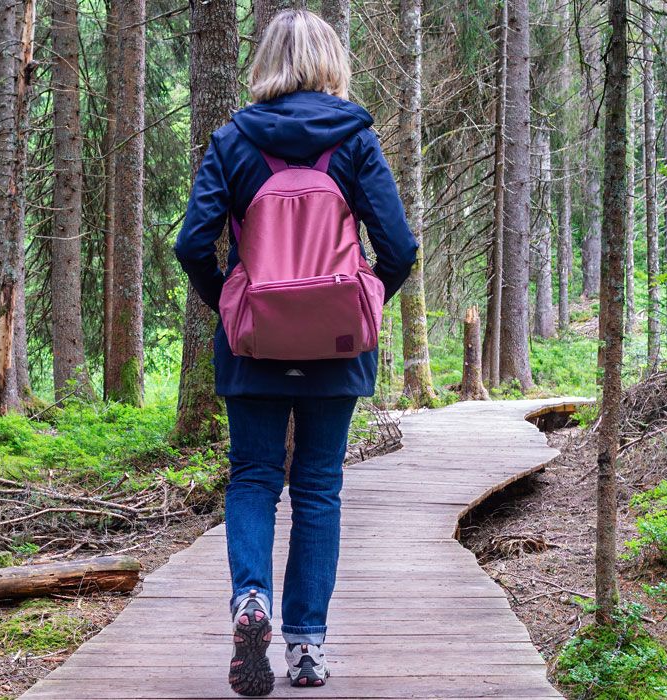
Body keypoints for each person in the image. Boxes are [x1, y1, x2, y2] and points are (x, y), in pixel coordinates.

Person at [174, 8, 418, 697]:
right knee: (317, 489)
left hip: (253, 339)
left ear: (266, 63)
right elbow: (399, 248)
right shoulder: (356, 141)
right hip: (337, 346)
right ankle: (306, 647)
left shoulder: (233, 142)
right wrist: (361, 301)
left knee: (253, 477)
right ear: (331, 61)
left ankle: (250, 600)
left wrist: (230, 299)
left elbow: (192, 243)